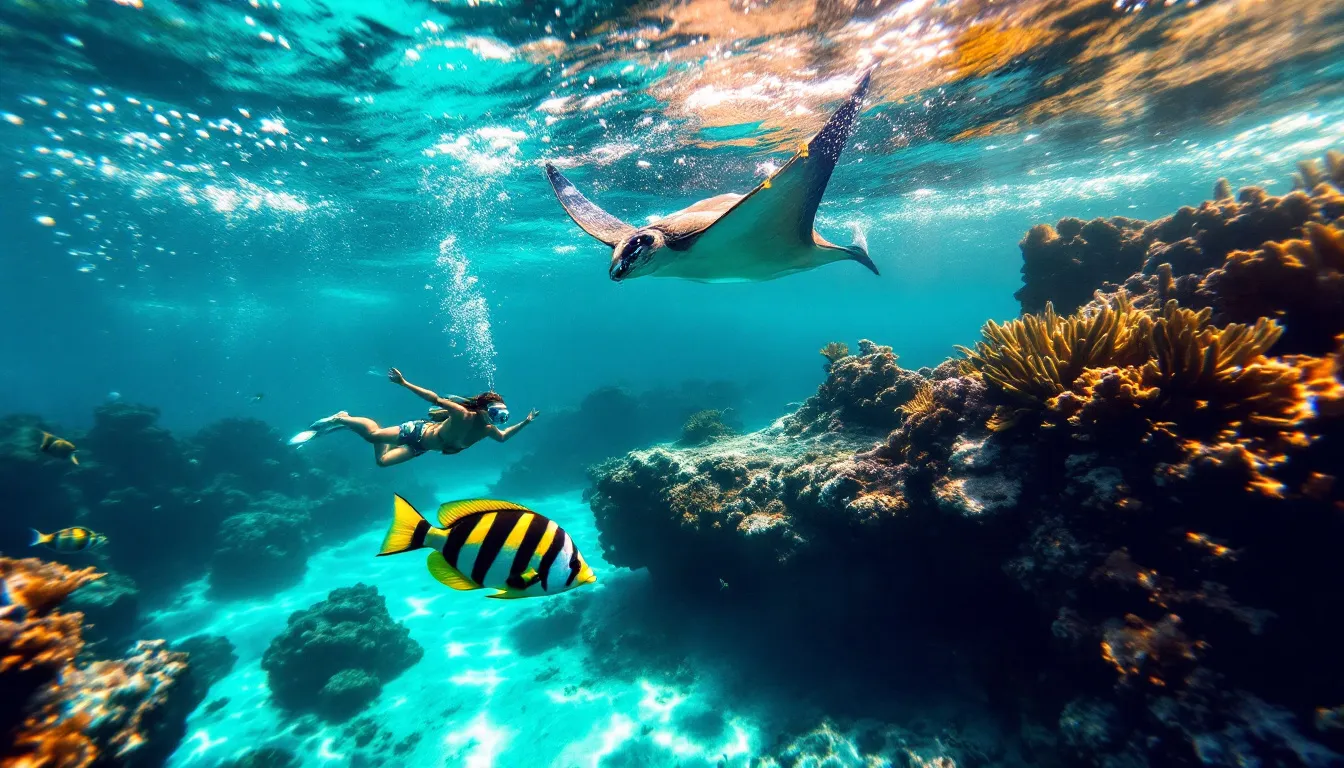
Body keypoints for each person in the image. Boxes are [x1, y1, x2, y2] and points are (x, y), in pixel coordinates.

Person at [292, 368, 538, 467]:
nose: (498, 418)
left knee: (382, 462)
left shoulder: (487, 430)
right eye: (496, 412)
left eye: (502, 415)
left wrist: (525, 422)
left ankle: (359, 427)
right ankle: (342, 418)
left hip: (421, 447)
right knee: (372, 436)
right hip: (417, 432)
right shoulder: (462, 413)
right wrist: (403, 382)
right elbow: (433, 399)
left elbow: (504, 437)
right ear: (484, 409)